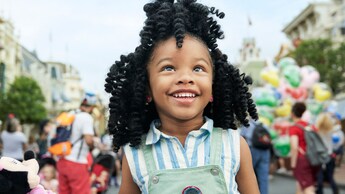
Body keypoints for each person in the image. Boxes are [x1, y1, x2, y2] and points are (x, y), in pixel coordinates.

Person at [104, 1, 259, 193]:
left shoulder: (235, 144)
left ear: (213, 87)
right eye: (168, 68)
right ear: (147, 89)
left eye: (198, 68)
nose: (186, 78)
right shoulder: (135, 154)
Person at [56, 94, 97, 194]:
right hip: (77, 163)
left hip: (62, 160)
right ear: (91, 107)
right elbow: (88, 140)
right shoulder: (86, 117)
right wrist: (93, 146)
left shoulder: (71, 114)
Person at [289, 102, 320, 194]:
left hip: (302, 159)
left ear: (292, 114)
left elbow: (294, 147)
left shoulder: (294, 128)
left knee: (308, 188)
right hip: (314, 158)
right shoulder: (311, 126)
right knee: (301, 185)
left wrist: (293, 164)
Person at [241, 120, 270, 194]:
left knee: (248, 175)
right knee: (263, 177)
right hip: (265, 151)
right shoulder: (264, 124)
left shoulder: (247, 124)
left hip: (253, 150)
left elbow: (242, 136)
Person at [315, 113, 339, 194]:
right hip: (330, 155)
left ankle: (320, 191)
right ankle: (335, 191)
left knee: (319, 175)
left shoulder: (317, 131)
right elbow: (336, 142)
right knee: (330, 176)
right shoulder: (332, 131)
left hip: (320, 155)